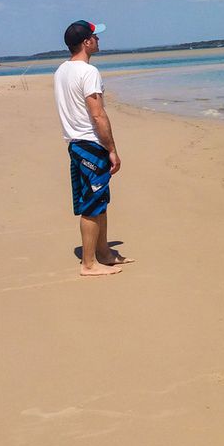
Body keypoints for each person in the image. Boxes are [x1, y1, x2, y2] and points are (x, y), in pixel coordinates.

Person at [53, 20, 131, 276]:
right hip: (89, 143)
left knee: (100, 200)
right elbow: (97, 115)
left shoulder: (62, 70)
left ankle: (104, 253)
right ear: (86, 42)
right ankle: (89, 264)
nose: (99, 40)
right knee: (92, 203)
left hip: (76, 144)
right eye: (95, 37)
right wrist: (112, 149)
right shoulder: (88, 72)